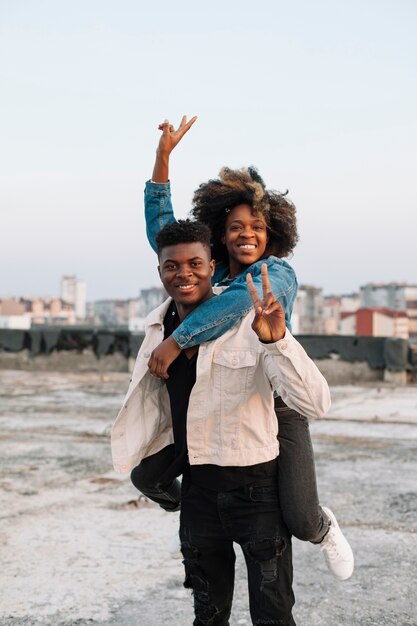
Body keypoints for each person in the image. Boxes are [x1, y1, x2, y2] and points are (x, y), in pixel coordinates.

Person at [134, 116, 354, 582]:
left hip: (274, 401)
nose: (246, 233)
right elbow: (165, 236)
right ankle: (192, 510)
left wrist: (177, 341)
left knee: (297, 516)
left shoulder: (277, 275)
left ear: (271, 233)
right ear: (220, 234)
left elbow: (236, 305)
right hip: (216, 403)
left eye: (256, 225)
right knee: (147, 475)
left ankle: (323, 526)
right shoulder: (209, 274)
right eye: (235, 227)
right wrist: (162, 160)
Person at [112, 219, 332, 625]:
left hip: (258, 492)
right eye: (172, 267)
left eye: (195, 263)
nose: (184, 274)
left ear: (213, 266)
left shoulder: (252, 321)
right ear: (159, 272)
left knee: (273, 615)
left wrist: (277, 340)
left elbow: (316, 403)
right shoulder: (157, 330)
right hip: (198, 495)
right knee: (208, 615)